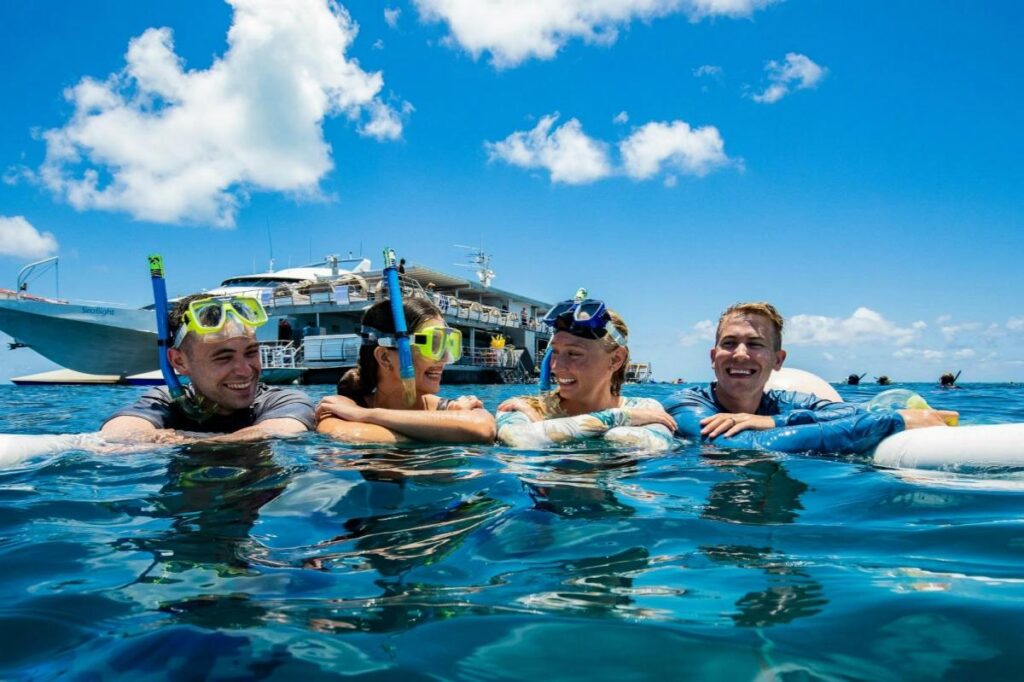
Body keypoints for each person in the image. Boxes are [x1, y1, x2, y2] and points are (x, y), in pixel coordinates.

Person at [663, 302, 957, 454]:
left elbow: (849, 411)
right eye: (729, 343)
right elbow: (746, 446)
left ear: (778, 360)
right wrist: (894, 421)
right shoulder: (685, 405)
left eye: (755, 344)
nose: (740, 354)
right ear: (713, 358)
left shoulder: (783, 404)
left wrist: (775, 421)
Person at [102, 294, 315, 441]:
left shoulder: (283, 401)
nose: (244, 370)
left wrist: (171, 440)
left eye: (251, 352)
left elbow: (278, 433)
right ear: (179, 362)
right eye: (223, 358)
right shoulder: (166, 401)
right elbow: (117, 435)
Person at [496, 296, 676, 451]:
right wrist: (621, 417)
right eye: (555, 352)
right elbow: (519, 440)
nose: (556, 367)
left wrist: (543, 430)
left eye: (574, 354)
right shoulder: (525, 407)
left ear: (615, 360)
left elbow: (648, 444)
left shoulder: (645, 407)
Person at [316, 298, 495, 444]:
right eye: (433, 344)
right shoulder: (343, 405)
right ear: (385, 358)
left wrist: (369, 415)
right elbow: (341, 432)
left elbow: (483, 428)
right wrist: (447, 431)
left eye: (448, 345)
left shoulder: (356, 412)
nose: (444, 358)